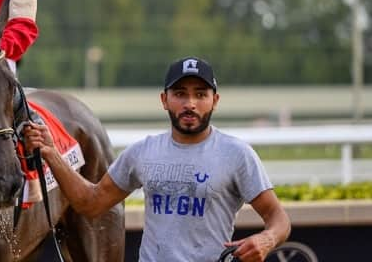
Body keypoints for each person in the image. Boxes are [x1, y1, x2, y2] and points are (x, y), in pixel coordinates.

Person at [24, 56, 291, 262]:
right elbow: (91, 203)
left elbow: (278, 219)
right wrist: (50, 152)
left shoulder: (237, 155)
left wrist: (267, 240)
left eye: (200, 94)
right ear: (164, 100)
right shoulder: (142, 152)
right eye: (180, 94)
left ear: (215, 100)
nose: (190, 103)